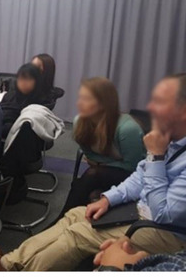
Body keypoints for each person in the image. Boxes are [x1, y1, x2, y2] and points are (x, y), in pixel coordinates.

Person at [0, 73, 186, 271]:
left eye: (160, 102)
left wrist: (156, 156)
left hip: (173, 234)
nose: (151, 107)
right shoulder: (174, 135)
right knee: (75, 215)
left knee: (79, 234)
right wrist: (108, 199)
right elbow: (140, 176)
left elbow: (164, 214)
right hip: (144, 214)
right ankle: (8, 263)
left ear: (185, 111)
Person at [95, 154, 186, 272]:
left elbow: (161, 214)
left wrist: (111, 269)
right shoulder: (165, 142)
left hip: (169, 230)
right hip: (141, 214)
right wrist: (108, 198)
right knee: (80, 214)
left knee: (81, 232)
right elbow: (140, 176)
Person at [57, 77, 145, 217]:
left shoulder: (127, 129)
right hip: (104, 170)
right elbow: (90, 155)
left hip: (132, 176)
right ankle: (68, 219)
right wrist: (101, 164)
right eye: (80, 97)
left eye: (86, 99)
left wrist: (100, 164)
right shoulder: (79, 121)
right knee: (87, 181)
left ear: (104, 103)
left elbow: (132, 166)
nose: (79, 103)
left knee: (92, 176)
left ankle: (62, 219)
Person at [0, 63, 54, 138]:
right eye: (20, 78)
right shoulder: (10, 95)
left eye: (28, 79)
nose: (23, 83)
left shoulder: (42, 102)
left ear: (37, 81)